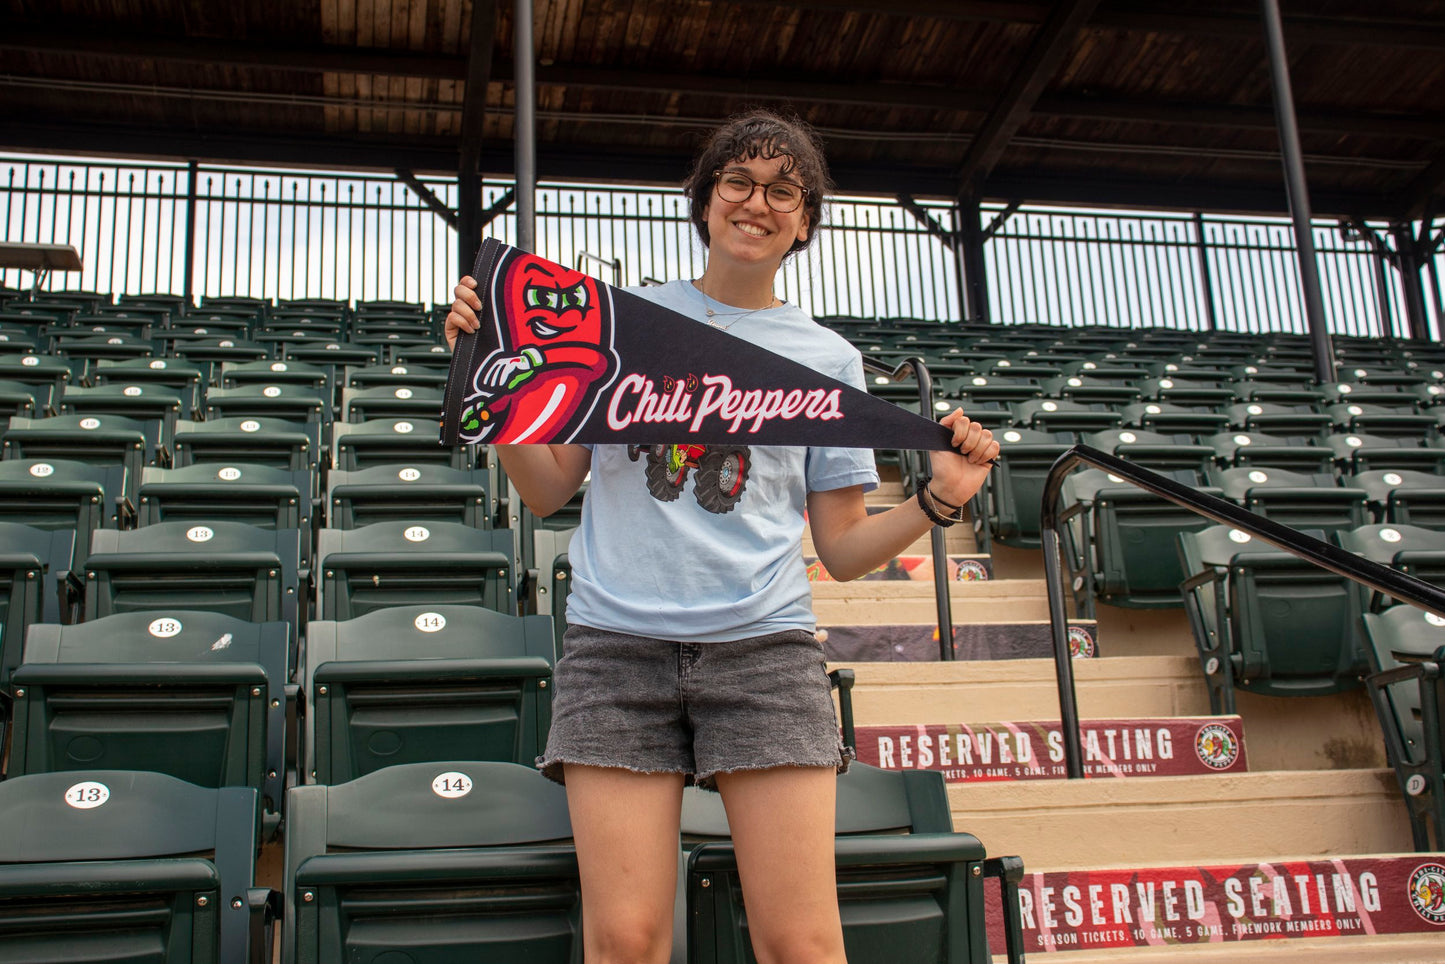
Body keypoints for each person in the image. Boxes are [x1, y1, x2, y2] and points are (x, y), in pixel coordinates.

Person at [446, 110, 999, 964]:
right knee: (625, 941)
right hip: (615, 647)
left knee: (802, 945)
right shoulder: (621, 324)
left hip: (764, 653)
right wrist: (494, 385)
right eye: (737, 182)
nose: (758, 203)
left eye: (785, 191)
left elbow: (844, 551)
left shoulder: (828, 361)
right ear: (703, 202)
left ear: (806, 222)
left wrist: (937, 502)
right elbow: (551, 486)